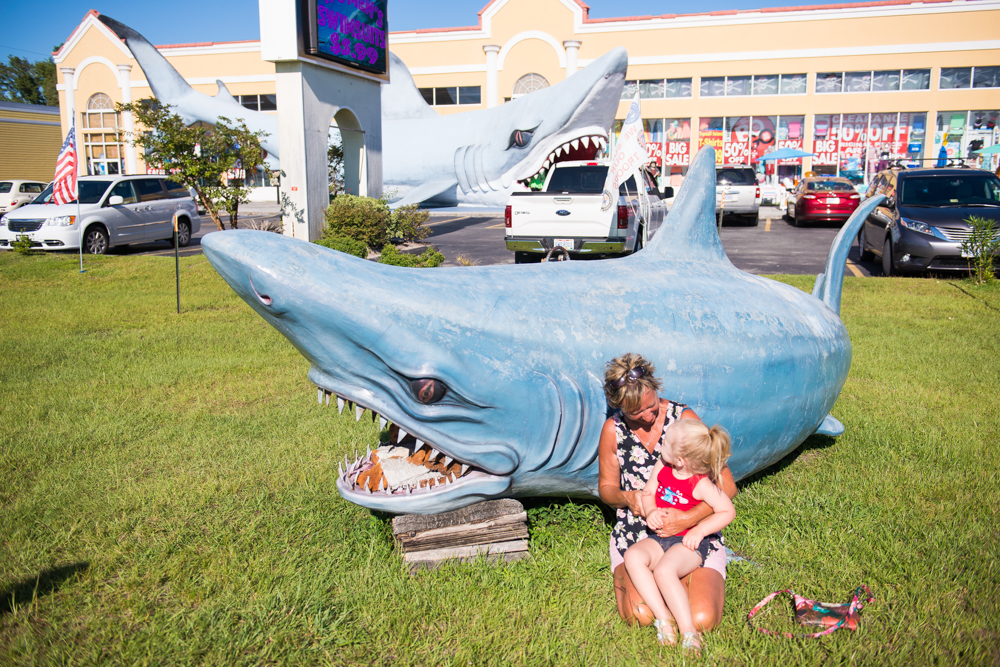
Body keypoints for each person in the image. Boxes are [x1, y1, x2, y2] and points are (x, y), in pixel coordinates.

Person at [598, 353, 737, 631]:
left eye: (652, 406)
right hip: (639, 532)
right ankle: (667, 588)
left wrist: (690, 519)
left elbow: (728, 486)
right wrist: (628, 498)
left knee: (702, 620)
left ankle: (679, 578)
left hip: (692, 535)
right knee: (641, 615)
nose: (649, 416)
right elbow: (606, 489)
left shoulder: (683, 420)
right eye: (637, 413)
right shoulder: (613, 430)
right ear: (620, 407)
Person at [623, 420, 735, 651]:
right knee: (633, 556)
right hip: (659, 538)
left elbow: (727, 511)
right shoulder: (664, 466)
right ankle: (663, 618)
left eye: (665, 443)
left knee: (665, 571)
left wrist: (699, 530)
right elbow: (648, 492)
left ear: (681, 460)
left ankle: (688, 631)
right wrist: (651, 510)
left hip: (687, 543)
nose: (661, 445)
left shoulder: (701, 484)